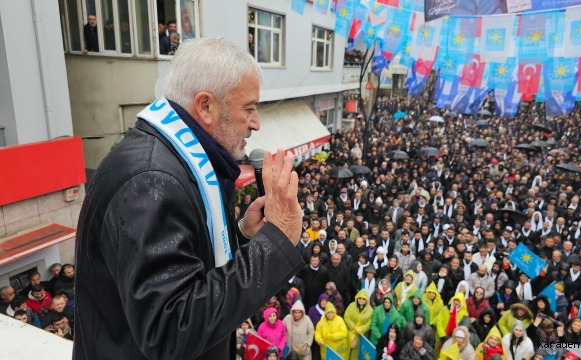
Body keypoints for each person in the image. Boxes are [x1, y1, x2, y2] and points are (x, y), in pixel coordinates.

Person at [74, 38, 305, 359]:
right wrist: (275, 243)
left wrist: (242, 236)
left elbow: (185, 268)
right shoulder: (152, 181)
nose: (256, 122)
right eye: (249, 108)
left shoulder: (171, 160)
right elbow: (171, 329)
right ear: (206, 106)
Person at [344, 289, 373, 360]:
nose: (361, 300)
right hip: (350, 333)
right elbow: (346, 317)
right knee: (347, 350)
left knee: (357, 354)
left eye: (363, 299)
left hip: (362, 336)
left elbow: (370, 322)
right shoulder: (351, 306)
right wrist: (354, 327)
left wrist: (361, 329)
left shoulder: (370, 310)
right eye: (359, 298)